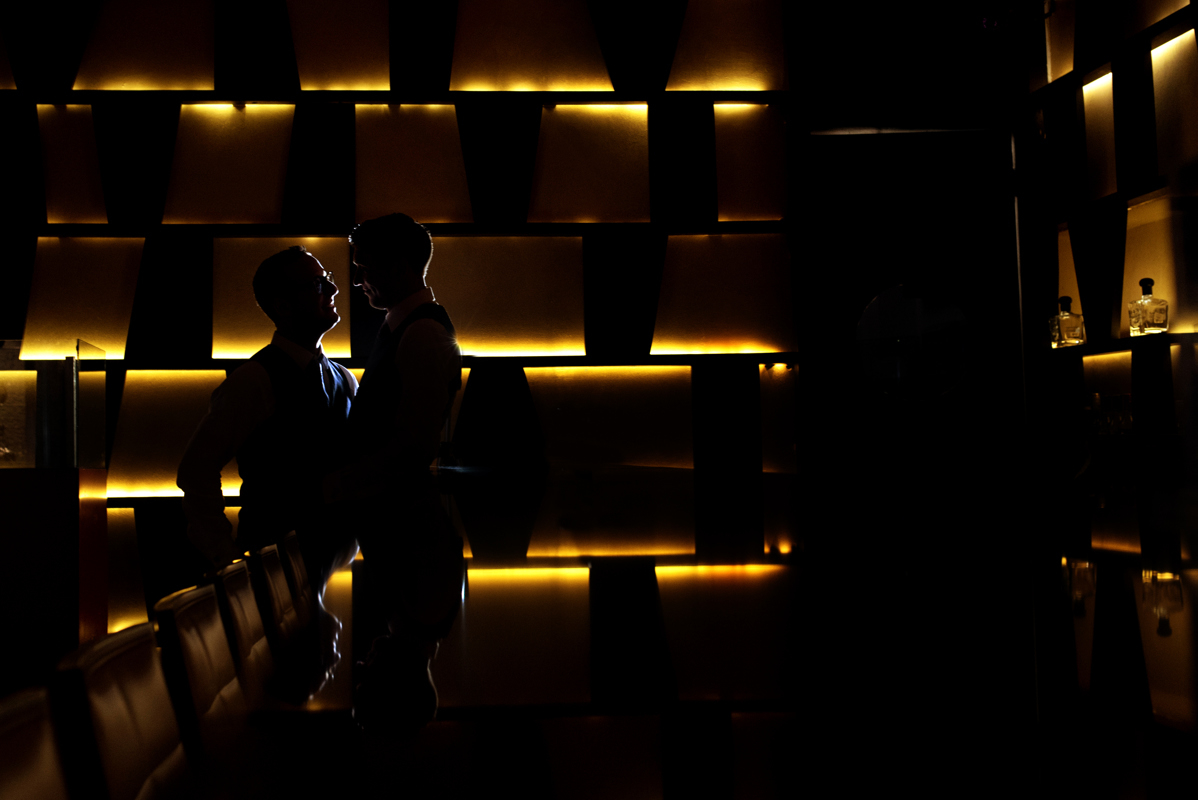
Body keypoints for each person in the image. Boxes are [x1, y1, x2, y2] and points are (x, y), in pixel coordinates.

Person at [324, 213, 464, 737]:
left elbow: (414, 446)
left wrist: (336, 486)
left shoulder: (421, 332)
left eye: (365, 271)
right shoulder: (408, 325)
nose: (360, 284)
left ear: (399, 266)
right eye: (368, 680)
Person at [177, 245, 358, 595]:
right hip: (272, 578)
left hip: (335, 571)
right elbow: (196, 469)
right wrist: (224, 557)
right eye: (318, 284)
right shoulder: (253, 380)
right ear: (283, 306)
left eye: (329, 281)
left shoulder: (345, 379)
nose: (333, 290)